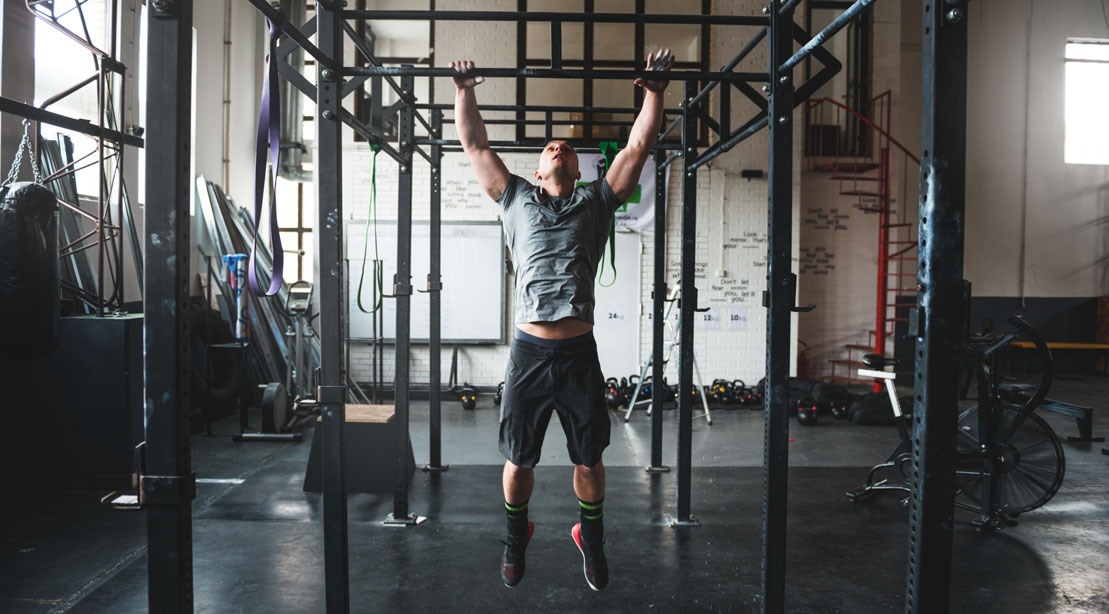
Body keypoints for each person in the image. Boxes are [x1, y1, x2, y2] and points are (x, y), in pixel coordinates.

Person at [450, 49, 675, 591]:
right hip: (528, 352)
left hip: (577, 352)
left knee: (589, 460)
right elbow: (475, 144)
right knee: (518, 460)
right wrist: (464, 90)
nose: (558, 147)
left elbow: (640, 145)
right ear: (537, 168)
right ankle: (515, 535)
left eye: (567, 149)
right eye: (550, 147)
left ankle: (590, 539)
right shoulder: (515, 199)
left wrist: (655, 92)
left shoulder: (598, 201)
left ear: (578, 168)